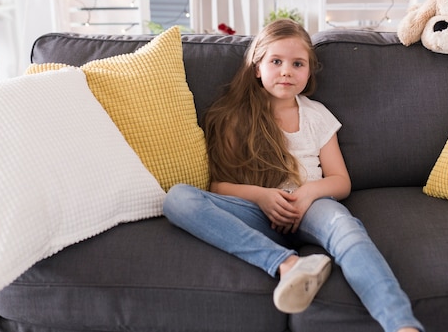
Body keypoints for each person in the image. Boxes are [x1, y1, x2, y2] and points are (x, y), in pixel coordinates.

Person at [163, 19, 424, 332]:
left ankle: (401, 324)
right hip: (258, 211)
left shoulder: (316, 115)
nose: (286, 71)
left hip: (310, 206)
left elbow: (340, 181)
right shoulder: (234, 117)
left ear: (308, 72)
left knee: (348, 230)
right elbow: (219, 186)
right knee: (178, 198)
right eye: (276, 61)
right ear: (257, 67)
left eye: (297, 64)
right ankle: (287, 263)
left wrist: (307, 194)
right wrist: (262, 196)